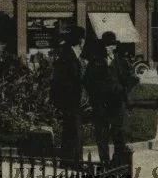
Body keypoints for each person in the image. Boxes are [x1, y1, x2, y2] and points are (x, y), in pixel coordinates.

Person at [83, 31, 138, 164]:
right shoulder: (95, 62)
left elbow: (133, 79)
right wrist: (94, 95)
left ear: (114, 47)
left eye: (111, 45)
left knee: (118, 132)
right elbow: (86, 81)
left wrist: (123, 90)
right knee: (101, 133)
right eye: (106, 45)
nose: (108, 48)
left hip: (117, 102)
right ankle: (104, 161)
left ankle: (118, 160)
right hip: (100, 103)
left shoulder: (122, 62)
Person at [51, 26, 86, 163]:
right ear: (81, 41)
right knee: (76, 131)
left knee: (69, 129)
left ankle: (67, 159)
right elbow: (68, 80)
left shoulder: (67, 55)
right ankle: (75, 161)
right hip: (71, 100)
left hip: (68, 100)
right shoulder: (70, 58)